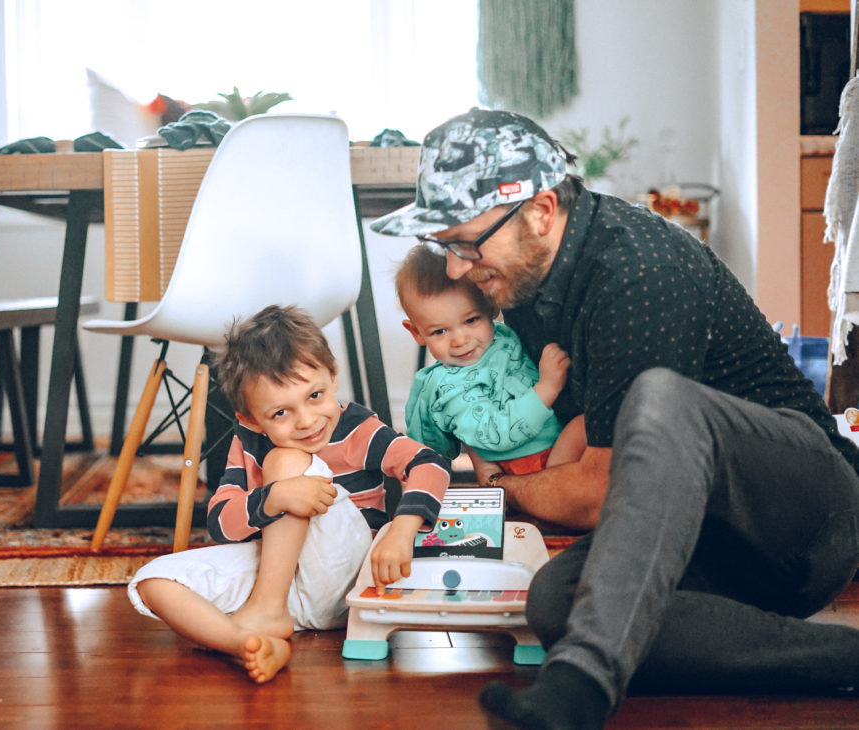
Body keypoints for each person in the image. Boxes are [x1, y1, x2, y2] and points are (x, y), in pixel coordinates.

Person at [370, 107, 859, 729]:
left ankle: (579, 686)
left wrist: (498, 490)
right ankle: (839, 659)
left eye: (466, 243)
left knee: (661, 398)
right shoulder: (516, 285)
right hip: (706, 544)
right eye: (446, 246)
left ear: (541, 213)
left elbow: (599, 493)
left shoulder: (639, 272)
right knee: (556, 604)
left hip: (805, 516)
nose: (458, 267)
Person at [129, 304, 451, 684]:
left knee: (284, 462)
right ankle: (246, 642)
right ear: (250, 419)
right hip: (283, 581)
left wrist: (401, 530)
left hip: (348, 578)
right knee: (153, 582)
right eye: (280, 413)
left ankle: (265, 610)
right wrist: (273, 499)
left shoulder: (358, 428)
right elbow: (221, 523)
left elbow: (429, 463)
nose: (306, 421)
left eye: (315, 395)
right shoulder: (246, 441)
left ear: (332, 376)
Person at [395, 244, 585, 482]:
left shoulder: (503, 336)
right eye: (440, 331)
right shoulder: (450, 388)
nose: (460, 340)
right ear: (417, 333)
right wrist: (547, 387)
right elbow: (495, 434)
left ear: (492, 307)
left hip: (550, 442)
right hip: (523, 464)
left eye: (472, 320)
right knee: (585, 427)